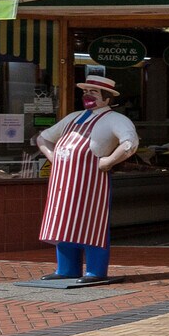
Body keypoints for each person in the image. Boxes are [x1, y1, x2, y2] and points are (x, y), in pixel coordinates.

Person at [35, 73, 139, 281]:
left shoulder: (116, 119)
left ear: (107, 98)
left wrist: (109, 161)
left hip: (92, 183)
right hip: (62, 183)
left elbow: (130, 143)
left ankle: (96, 270)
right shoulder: (73, 117)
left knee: (92, 224)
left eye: (93, 92)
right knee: (62, 222)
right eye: (85, 91)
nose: (87, 95)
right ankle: (66, 269)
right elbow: (43, 138)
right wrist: (54, 158)